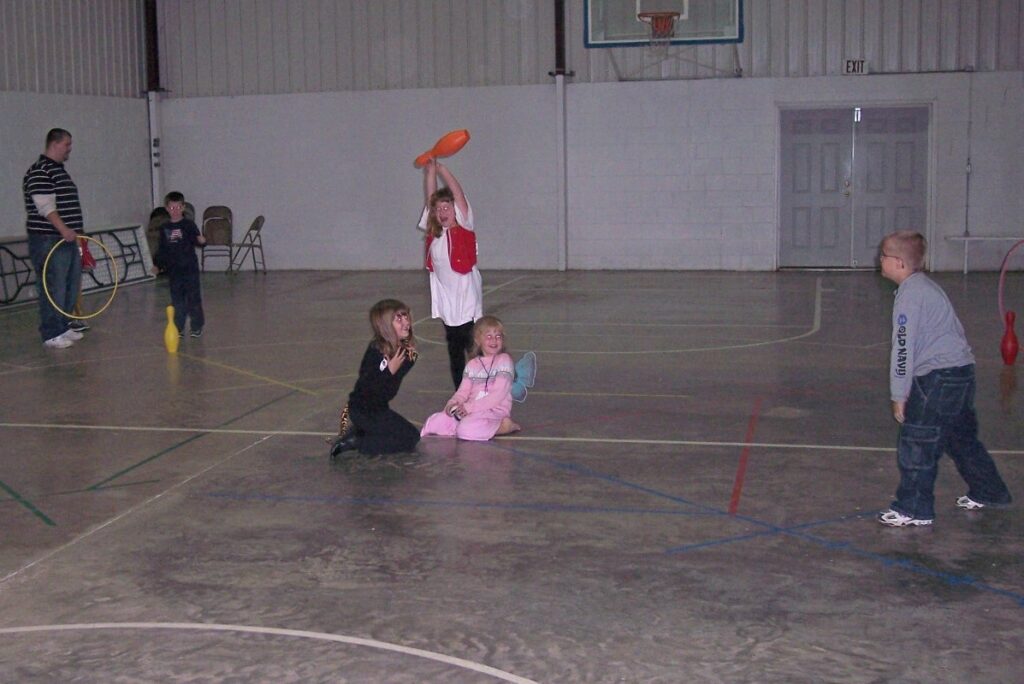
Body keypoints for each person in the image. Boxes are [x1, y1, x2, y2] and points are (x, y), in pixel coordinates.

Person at [876, 231, 1012, 527]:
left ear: (899, 263)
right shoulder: (926, 287)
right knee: (961, 439)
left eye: (883, 256)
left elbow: (903, 348)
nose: (880, 260)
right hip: (961, 374)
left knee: (917, 442)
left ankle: (914, 508)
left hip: (936, 379)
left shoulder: (911, 295)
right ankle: (990, 491)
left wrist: (899, 395)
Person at [419, 160, 483, 389]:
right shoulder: (435, 232)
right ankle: (460, 392)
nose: (442, 212)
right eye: (438, 209)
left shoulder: (464, 226)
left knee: (471, 346)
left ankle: (482, 389)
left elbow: (458, 194)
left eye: (447, 207)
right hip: (447, 300)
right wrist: (430, 172)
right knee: (454, 349)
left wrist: (442, 170)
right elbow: (430, 198)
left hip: (465, 298)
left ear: (456, 209)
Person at [330, 299, 421, 459]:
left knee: (413, 436)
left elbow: (388, 392)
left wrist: (402, 365)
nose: (406, 322)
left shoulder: (405, 354)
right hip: (362, 410)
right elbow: (367, 389)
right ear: (386, 326)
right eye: (398, 319)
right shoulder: (376, 350)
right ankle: (356, 441)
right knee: (405, 441)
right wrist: (389, 371)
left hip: (379, 408)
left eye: (406, 316)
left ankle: (362, 432)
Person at [23, 128, 85, 349]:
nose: (69, 149)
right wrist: (63, 229)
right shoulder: (40, 171)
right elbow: (45, 207)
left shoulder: (59, 171)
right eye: (67, 144)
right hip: (49, 239)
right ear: (55, 143)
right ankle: (51, 332)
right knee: (53, 286)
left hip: (66, 240)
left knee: (70, 285)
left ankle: (63, 325)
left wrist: (75, 233)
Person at [420, 315, 521, 441]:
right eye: (489, 336)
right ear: (478, 340)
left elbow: (497, 395)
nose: (494, 340)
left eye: (498, 336)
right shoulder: (472, 364)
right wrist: (453, 403)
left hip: (493, 411)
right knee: (434, 422)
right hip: (472, 410)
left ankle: (504, 426)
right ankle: (463, 424)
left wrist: (469, 408)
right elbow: (463, 391)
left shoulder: (504, 360)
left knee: (466, 429)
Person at [151, 191, 206, 338]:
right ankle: (178, 327)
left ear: (183, 207)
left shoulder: (189, 225)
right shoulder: (165, 228)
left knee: (193, 299)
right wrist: (157, 265)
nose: (175, 211)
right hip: (174, 271)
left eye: (178, 207)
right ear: (167, 209)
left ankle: (196, 326)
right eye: (171, 208)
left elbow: (197, 241)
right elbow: (162, 249)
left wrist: (202, 241)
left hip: (190, 269)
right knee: (177, 301)